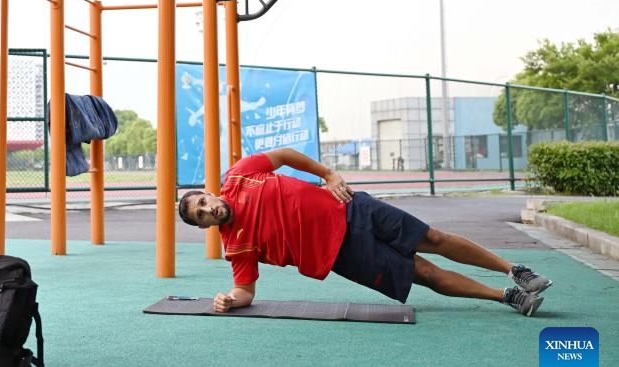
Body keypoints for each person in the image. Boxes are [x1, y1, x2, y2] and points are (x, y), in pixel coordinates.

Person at [178, 148, 552, 317]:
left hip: (351, 209)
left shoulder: (240, 174)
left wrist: (328, 174)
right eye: (201, 216)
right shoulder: (236, 247)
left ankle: (515, 270)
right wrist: (230, 300)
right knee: (424, 273)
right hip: (345, 256)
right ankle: (507, 297)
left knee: (433, 239)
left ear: (209, 193)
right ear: (204, 227)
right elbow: (245, 291)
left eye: (204, 203)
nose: (209, 210)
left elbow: (285, 156)